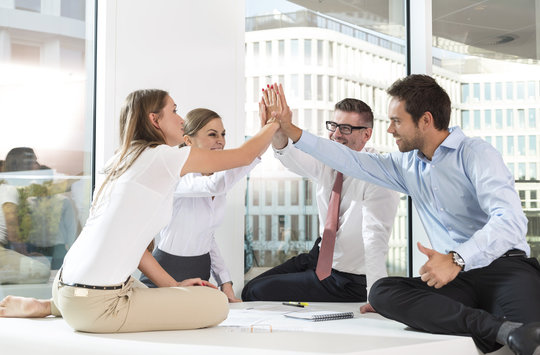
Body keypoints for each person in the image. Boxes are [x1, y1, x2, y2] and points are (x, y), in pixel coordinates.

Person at [271, 76, 540, 355]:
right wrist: (290, 129)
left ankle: (503, 329)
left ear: (425, 120)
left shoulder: (475, 153)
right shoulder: (405, 165)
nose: (389, 129)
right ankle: (501, 329)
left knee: (531, 342)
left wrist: (457, 258)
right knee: (382, 292)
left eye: (396, 121)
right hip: (456, 280)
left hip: (505, 268)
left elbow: (509, 220)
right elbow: (349, 160)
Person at [0, 88, 281, 333]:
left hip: (66, 288)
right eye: (174, 110)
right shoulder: (161, 158)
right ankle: (61, 308)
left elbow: (137, 249)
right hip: (97, 306)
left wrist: (174, 286)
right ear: (154, 119)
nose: (182, 119)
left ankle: (50, 306)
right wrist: (273, 123)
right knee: (216, 305)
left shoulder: (120, 160)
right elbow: (242, 156)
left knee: (143, 288)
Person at [242, 96, 399, 302]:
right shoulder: (328, 162)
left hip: (348, 279)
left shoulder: (377, 175)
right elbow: (291, 158)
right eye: (333, 126)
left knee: (256, 292)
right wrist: (278, 131)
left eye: (345, 128)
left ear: (366, 135)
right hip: (319, 257)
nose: (335, 135)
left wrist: (375, 297)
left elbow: (375, 239)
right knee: (250, 288)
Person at [140, 108, 259, 302]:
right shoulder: (178, 177)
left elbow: (208, 237)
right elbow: (214, 185)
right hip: (167, 269)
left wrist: (225, 283)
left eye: (223, 134)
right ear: (188, 141)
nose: (220, 140)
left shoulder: (218, 183)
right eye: (212, 134)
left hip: (201, 271)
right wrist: (258, 146)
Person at [0, 148, 51, 284]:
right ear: (22, 166)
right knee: (41, 272)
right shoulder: (9, 189)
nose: (38, 166)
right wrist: (24, 254)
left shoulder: (10, 188)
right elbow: (12, 227)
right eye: (34, 162)